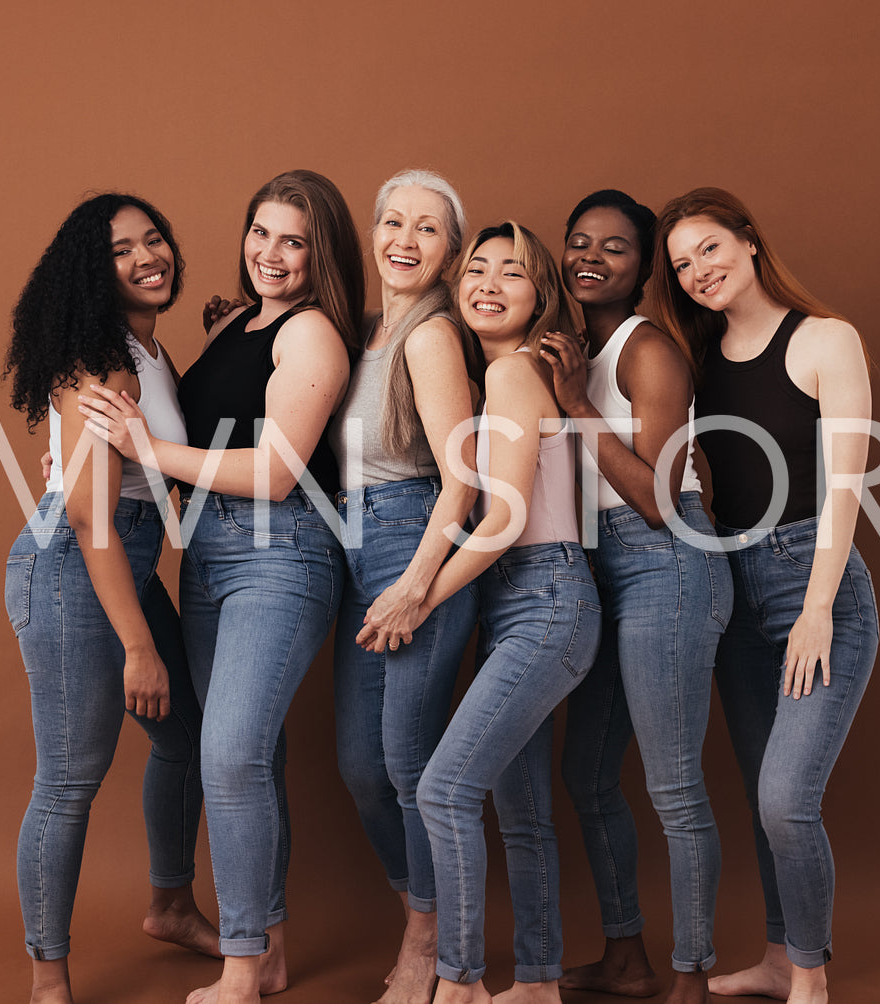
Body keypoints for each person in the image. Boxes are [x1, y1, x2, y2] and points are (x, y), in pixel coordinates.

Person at [77, 169, 364, 1004]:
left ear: (323, 255)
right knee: (248, 755)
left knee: (229, 750)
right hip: (206, 554)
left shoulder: (312, 334)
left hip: (282, 552)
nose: (270, 253)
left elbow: (276, 472)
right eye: (260, 232)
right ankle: (261, 946)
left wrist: (142, 449)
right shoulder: (245, 323)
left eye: (294, 241)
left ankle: (243, 965)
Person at [645, 187, 880, 1004]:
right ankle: (779, 957)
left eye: (708, 248)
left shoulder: (824, 339)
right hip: (730, 587)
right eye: (680, 264)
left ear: (747, 241)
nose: (697, 271)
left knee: (787, 797)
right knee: (758, 790)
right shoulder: (695, 358)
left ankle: (810, 977)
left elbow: (846, 487)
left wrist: (816, 607)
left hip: (813, 584)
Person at [2, 193, 214, 1004]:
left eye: (154, 238)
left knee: (188, 736)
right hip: (73, 562)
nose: (147, 256)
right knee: (69, 777)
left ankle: (167, 904)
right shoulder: (109, 364)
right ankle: (47, 978)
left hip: (116, 553)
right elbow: (89, 514)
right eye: (122, 249)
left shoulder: (147, 352)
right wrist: (137, 645)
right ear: (95, 273)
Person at [396, 222, 600, 1004]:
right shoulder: (494, 381)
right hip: (524, 602)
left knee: (443, 790)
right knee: (519, 811)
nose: (486, 282)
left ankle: (460, 984)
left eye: (510, 273)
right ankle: (539, 984)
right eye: (475, 268)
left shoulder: (515, 374)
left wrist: (419, 595)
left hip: (546, 596)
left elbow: (505, 517)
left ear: (538, 297)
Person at [542, 190, 731, 1004]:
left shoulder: (645, 348)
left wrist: (577, 404)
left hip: (668, 564)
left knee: (673, 787)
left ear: (645, 265)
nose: (591, 256)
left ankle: (690, 976)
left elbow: (658, 499)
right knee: (586, 773)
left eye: (614, 247)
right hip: (607, 569)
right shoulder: (572, 346)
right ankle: (627, 959)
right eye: (578, 241)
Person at [328, 169, 482, 1004]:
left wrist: (418, 585)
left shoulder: (431, 336)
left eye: (427, 229)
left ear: (450, 253)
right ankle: (419, 914)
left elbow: (462, 482)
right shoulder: (364, 337)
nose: (404, 240)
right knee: (361, 764)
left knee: (407, 760)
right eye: (392, 222)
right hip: (356, 540)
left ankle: (430, 944)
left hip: (410, 539)